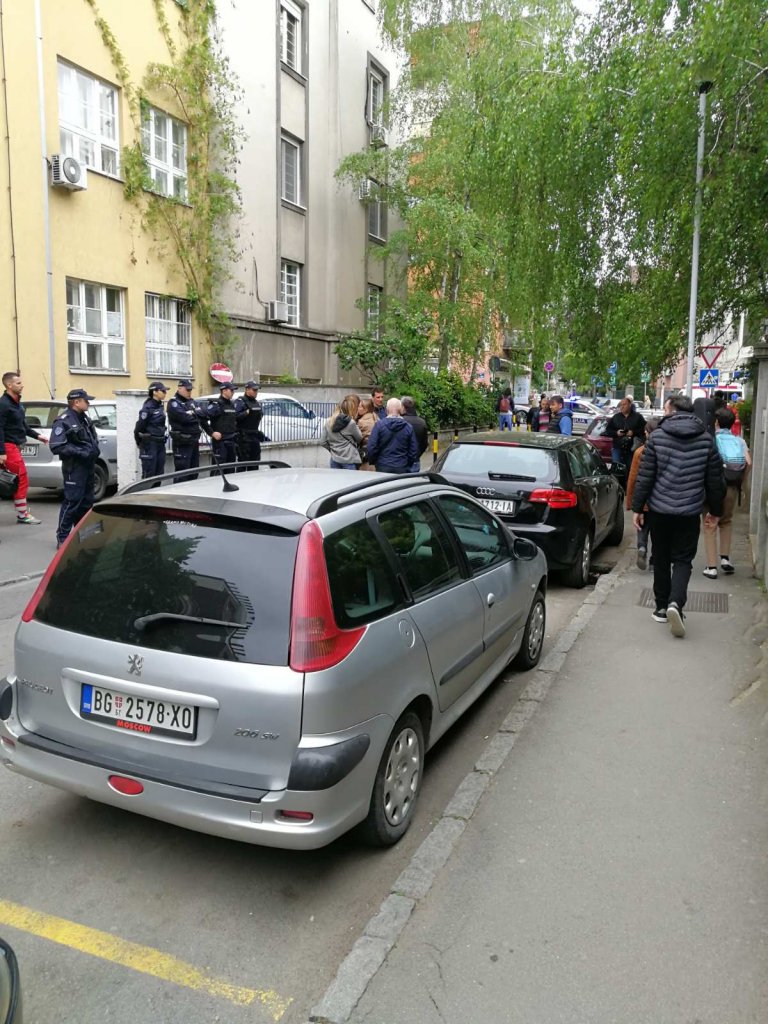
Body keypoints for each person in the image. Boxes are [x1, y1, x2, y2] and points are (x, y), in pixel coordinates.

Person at [631, 393, 725, 638]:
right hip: (689, 511)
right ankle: (676, 603)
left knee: (661, 557)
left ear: (671, 410)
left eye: (665, 408)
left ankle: (662, 607)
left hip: (660, 510)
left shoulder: (657, 437)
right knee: (683, 560)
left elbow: (645, 477)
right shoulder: (706, 440)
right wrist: (716, 511)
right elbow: (715, 481)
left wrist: (638, 508)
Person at [701, 406, 751, 579]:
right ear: (732, 424)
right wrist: (740, 482)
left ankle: (711, 567)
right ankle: (725, 558)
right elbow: (749, 463)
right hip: (732, 487)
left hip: (712, 488)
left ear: (716, 422)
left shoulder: (712, 440)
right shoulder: (740, 441)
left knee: (710, 525)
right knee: (726, 521)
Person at [49, 388, 100, 547]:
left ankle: (82, 535)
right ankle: (62, 538)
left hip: (88, 466)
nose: (88, 403)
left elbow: (91, 438)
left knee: (87, 503)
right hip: (75, 467)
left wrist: (94, 450)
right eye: (86, 400)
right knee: (72, 502)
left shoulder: (84, 418)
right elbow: (56, 446)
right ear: (76, 402)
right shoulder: (63, 420)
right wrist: (81, 452)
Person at [0, 371, 45, 524]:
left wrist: (38, 436)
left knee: (11, 480)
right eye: (18, 383)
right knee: (21, 479)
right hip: (8, 447)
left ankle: (22, 513)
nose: (22, 385)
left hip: (14, 447)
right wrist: (1, 452)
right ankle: (22, 515)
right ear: (9, 385)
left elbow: (23, 426)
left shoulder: (17, 404)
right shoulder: (3, 404)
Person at [625, 417, 660, 570]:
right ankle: (654, 560)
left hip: (643, 498)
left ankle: (642, 547)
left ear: (647, 433)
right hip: (659, 499)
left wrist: (631, 502)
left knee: (642, 526)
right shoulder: (665, 450)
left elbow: (632, 478)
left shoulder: (639, 452)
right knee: (658, 531)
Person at [366, 398, 418, 473]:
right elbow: (413, 450)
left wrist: (374, 461)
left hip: (383, 465)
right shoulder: (408, 427)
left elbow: (372, 446)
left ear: (386, 410)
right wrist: (408, 463)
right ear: (400, 409)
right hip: (402, 465)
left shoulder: (379, 425)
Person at [167, 379, 204, 481]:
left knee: (194, 471)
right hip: (182, 442)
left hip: (193, 440)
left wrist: (192, 413)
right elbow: (184, 418)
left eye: (190, 390)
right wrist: (195, 414)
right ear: (179, 388)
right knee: (182, 473)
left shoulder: (191, 402)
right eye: (187, 390)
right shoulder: (174, 403)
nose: (189, 392)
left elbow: (203, 414)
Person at [134, 382, 168, 482]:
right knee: (149, 474)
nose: (165, 393)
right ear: (154, 392)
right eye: (163, 391)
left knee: (159, 474)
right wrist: (139, 441)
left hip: (160, 443)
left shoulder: (160, 405)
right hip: (150, 444)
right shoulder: (147, 408)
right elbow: (139, 427)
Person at [605, 397, 646, 473]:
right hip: (617, 447)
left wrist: (633, 432)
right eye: (620, 405)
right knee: (616, 469)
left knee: (631, 469)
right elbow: (608, 431)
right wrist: (616, 433)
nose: (622, 407)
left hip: (632, 449)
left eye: (624, 404)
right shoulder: (616, 417)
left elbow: (644, 430)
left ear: (630, 405)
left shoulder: (638, 417)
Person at [321, 394, 362, 470]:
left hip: (334, 459)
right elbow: (359, 438)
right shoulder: (351, 423)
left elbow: (322, 442)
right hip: (349, 460)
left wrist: (332, 450)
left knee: (336, 478)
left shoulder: (328, 421)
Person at [205, 382, 238, 469]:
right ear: (224, 391)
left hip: (231, 441)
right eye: (231, 390)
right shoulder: (216, 405)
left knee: (231, 469)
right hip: (220, 443)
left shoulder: (231, 404)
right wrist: (211, 433)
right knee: (218, 470)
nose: (233, 392)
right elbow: (202, 418)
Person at [235, 380, 264, 470]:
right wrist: (246, 413)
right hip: (243, 437)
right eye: (254, 390)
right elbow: (235, 417)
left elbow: (259, 415)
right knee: (243, 463)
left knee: (255, 462)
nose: (256, 392)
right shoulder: (240, 402)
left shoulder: (256, 402)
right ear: (247, 389)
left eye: (257, 390)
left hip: (254, 436)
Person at [401, 396, 428, 472]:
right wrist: (417, 454)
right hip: (415, 460)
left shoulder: (400, 421)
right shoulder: (422, 422)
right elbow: (425, 443)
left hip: (401, 460)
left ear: (403, 407)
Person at [356, 398, 378, 471]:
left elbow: (357, 437)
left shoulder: (362, 422)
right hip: (374, 451)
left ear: (365, 409)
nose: (358, 408)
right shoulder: (375, 417)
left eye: (360, 407)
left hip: (365, 452)